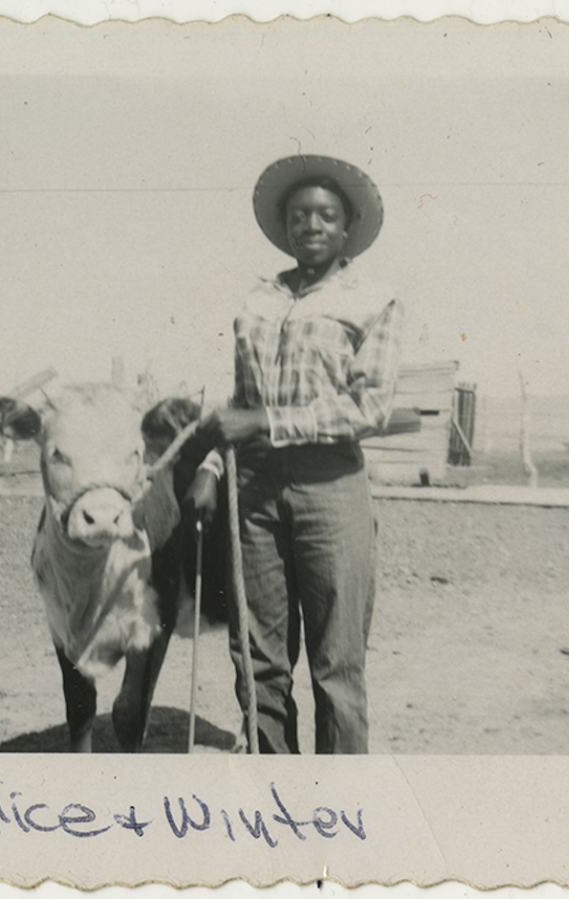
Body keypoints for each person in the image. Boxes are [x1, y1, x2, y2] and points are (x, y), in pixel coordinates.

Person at [184, 155, 403, 754]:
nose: (312, 225)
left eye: (326, 216)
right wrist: (208, 468)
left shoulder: (374, 301)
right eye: (300, 215)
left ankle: (338, 807)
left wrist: (269, 422)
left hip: (329, 488)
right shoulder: (258, 299)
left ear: (347, 227)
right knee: (258, 659)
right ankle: (272, 799)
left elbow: (372, 406)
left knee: (336, 662)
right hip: (250, 490)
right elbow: (239, 400)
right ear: (284, 226)